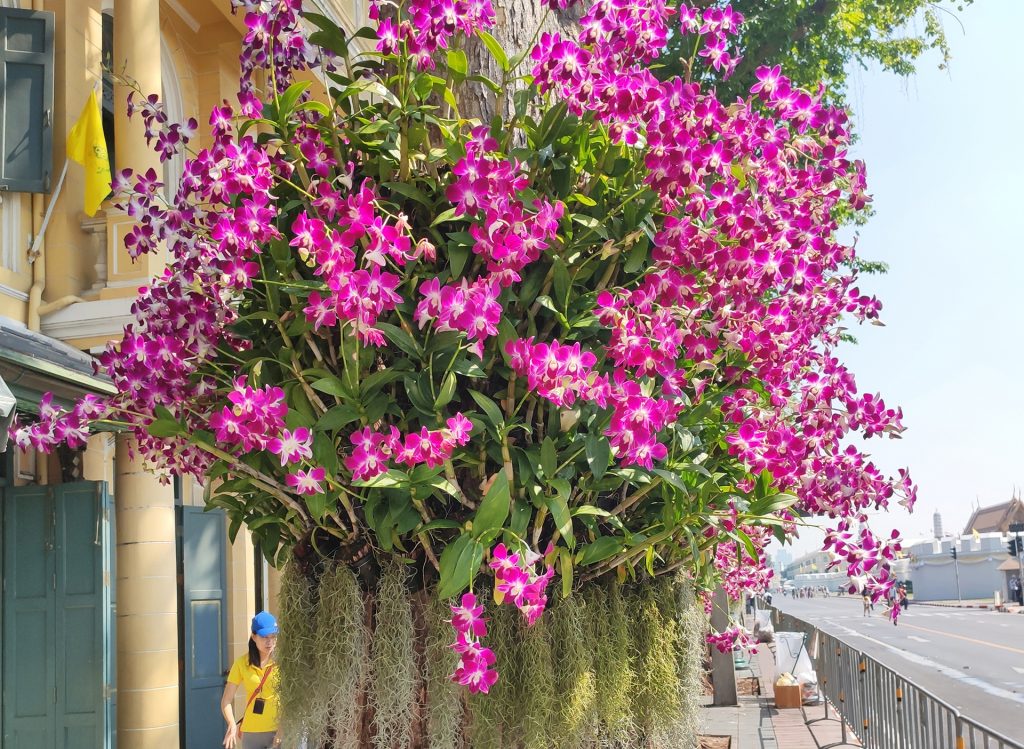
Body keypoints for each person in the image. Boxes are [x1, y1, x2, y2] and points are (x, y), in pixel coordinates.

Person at [222, 611, 282, 749]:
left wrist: (282, 731)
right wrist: (232, 724)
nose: (270, 642)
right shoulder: (241, 663)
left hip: (279, 731)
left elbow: (290, 700)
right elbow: (226, 701)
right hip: (251, 732)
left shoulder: (283, 662)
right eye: (264, 637)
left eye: (273, 636)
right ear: (254, 637)